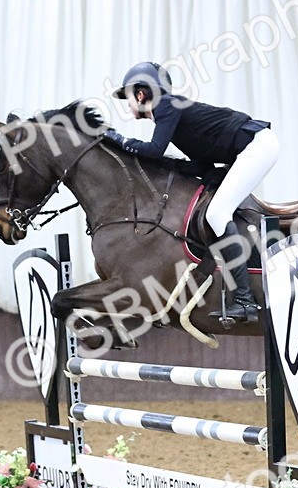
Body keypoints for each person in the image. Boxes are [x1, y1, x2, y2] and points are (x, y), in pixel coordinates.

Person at [104, 62, 279, 322]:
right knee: (217, 210)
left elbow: (153, 150)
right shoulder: (174, 115)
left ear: (140, 94)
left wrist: (117, 139)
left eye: (128, 97)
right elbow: (198, 166)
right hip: (254, 145)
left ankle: (244, 300)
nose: (128, 105)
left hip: (257, 146)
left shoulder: (165, 106)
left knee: (218, 213)